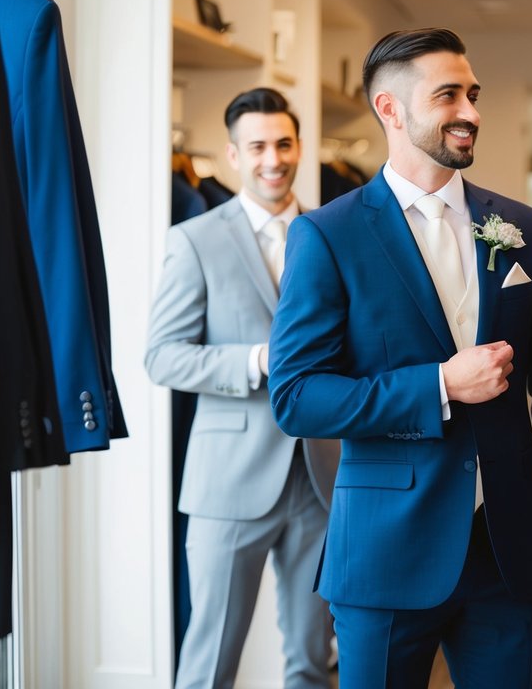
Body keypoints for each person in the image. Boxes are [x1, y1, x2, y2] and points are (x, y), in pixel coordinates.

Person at [268, 27, 532, 688]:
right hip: (384, 554)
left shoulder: (523, 230)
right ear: (390, 108)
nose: (470, 112)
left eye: (473, 94)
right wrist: (439, 385)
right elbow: (297, 395)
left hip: (508, 554)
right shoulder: (326, 235)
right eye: (448, 94)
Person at [145, 87, 339, 688]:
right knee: (210, 665)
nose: (272, 159)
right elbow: (162, 358)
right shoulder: (195, 239)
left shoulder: (334, 233)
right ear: (233, 154)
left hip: (321, 479)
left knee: (313, 660)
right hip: (228, 483)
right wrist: (257, 359)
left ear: (300, 147)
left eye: (283, 144)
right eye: (257, 146)